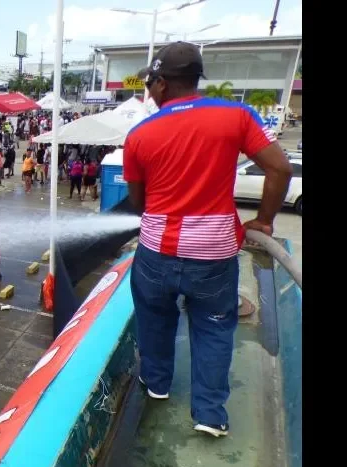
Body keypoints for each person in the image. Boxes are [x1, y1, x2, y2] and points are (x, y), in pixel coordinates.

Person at [123, 42, 292, 438]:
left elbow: (138, 202)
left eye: (150, 84)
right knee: (215, 329)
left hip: (156, 254)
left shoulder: (140, 133)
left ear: (161, 84)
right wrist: (264, 221)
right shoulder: (236, 115)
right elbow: (280, 169)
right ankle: (210, 414)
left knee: (154, 320)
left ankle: (158, 384)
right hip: (214, 256)